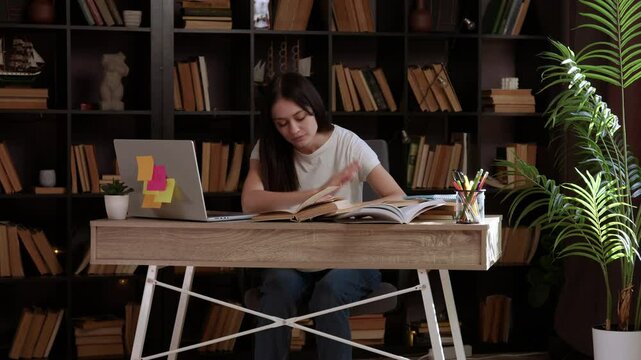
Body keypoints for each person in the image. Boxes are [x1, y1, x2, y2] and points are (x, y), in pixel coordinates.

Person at [241, 72, 405, 360]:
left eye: (300, 117)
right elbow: (250, 201)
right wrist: (315, 193)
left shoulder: (347, 143)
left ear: (314, 108)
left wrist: (354, 211)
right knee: (279, 286)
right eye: (282, 124)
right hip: (293, 258)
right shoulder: (268, 148)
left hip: (349, 257)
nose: (293, 130)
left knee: (329, 292)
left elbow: (397, 196)